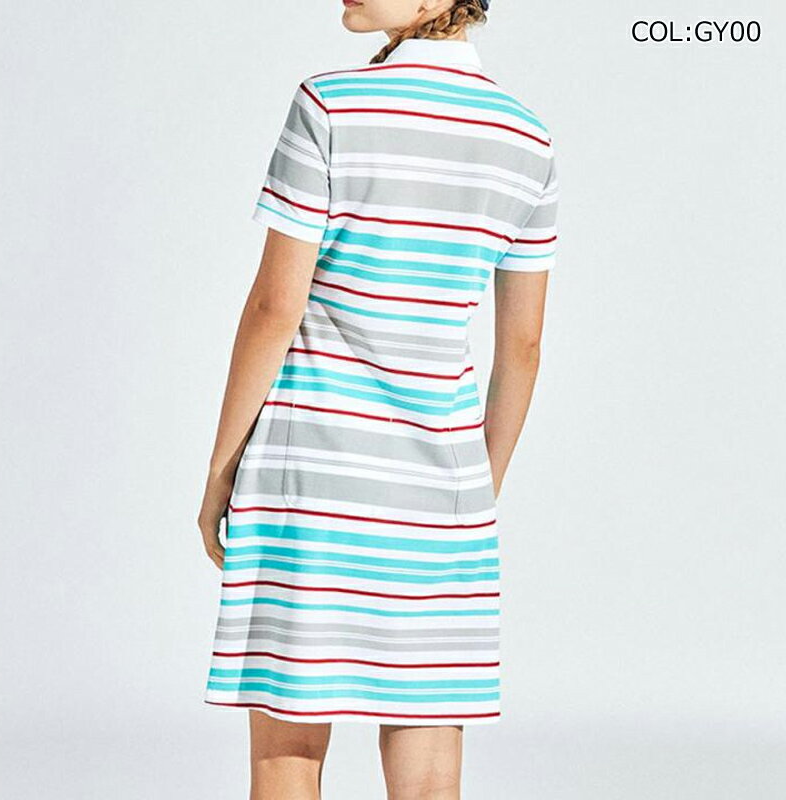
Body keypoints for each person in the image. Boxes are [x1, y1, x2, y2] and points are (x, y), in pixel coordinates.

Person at [198, 0, 558, 796]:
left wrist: (221, 470)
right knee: (428, 765)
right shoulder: (526, 138)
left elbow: (275, 306)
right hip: (443, 489)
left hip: (310, 480)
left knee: (288, 749)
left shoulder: (331, 105)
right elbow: (523, 348)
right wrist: (477, 489)